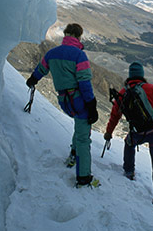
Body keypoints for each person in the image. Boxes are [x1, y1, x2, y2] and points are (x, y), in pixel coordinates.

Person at [26, 23, 99, 188]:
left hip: (64, 100)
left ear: (65, 35)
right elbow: (84, 82)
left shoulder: (52, 53)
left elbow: (40, 70)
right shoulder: (79, 55)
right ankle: (83, 177)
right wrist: (92, 105)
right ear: (79, 37)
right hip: (79, 99)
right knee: (83, 138)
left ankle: (73, 156)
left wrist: (32, 80)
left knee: (79, 128)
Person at [104, 61, 153, 213]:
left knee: (128, 143)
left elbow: (114, 116)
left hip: (137, 133)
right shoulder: (151, 89)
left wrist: (109, 133)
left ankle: (129, 171)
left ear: (130, 76)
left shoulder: (124, 92)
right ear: (142, 75)